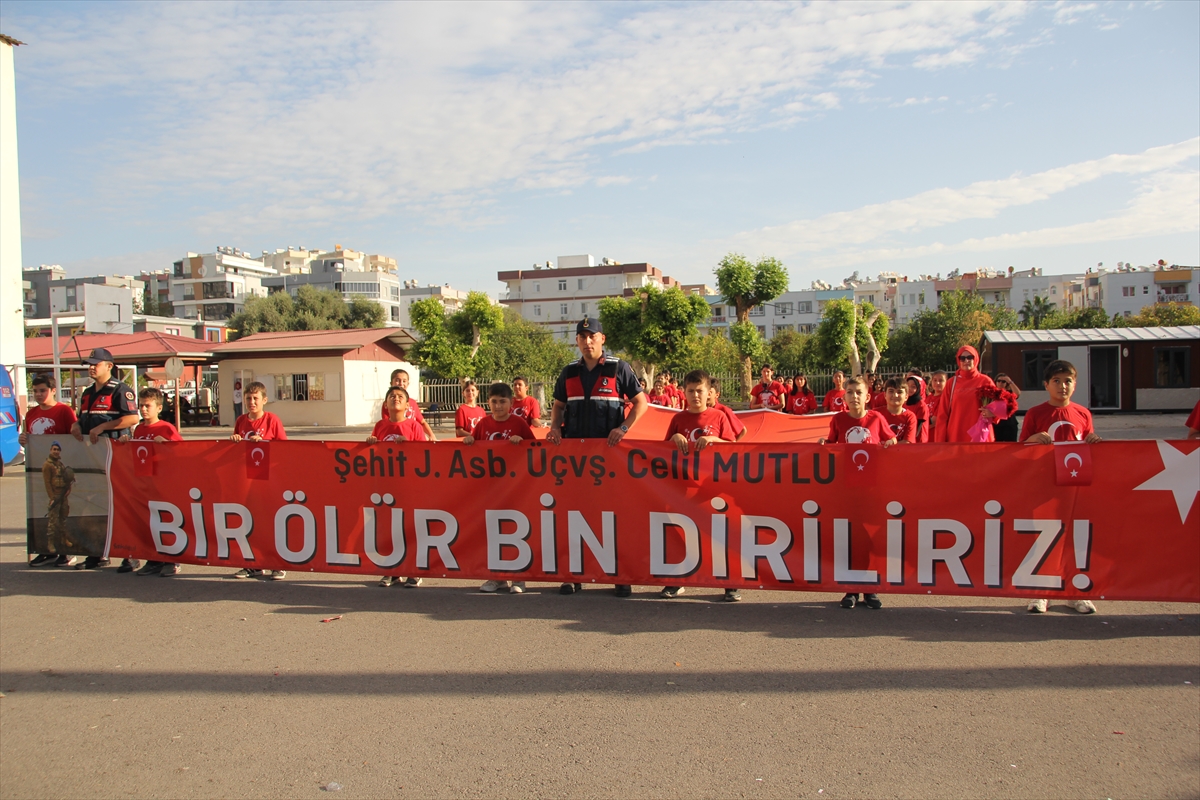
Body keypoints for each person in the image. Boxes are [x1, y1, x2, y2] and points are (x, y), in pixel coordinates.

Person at [547, 318, 648, 597]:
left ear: (602, 339)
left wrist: (623, 428)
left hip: (610, 461)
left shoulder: (619, 368)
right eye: (582, 337)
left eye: (592, 336)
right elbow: (558, 406)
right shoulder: (568, 372)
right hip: (575, 462)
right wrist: (554, 427)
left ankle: (619, 575)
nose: (587, 341)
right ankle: (572, 575)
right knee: (574, 516)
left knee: (613, 518)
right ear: (577, 341)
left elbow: (641, 403)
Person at [1019, 359, 1101, 615]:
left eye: (1068, 381)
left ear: (1075, 385)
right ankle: (1041, 593)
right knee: (1045, 537)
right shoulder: (1035, 413)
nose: (1062, 386)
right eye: (1056, 381)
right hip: (1044, 485)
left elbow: (1088, 444)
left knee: (1074, 538)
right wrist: (1033, 439)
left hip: (1074, 486)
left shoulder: (1083, 413)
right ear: (1046, 385)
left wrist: (1094, 441)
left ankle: (1074, 593)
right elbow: (1020, 448)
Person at [661, 370, 740, 601]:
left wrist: (714, 440)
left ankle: (730, 583)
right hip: (684, 486)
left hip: (713, 486)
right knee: (681, 533)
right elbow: (662, 450)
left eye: (699, 391)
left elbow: (732, 447)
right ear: (684, 393)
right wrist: (674, 438)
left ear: (709, 393)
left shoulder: (719, 417)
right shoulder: (677, 420)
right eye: (691, 391)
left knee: (719, 534)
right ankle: (677, 580)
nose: (695, 395)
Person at [818, 376, 895, 610]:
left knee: (871, 539)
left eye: (858, 392)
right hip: (847, 489)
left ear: (867, 396)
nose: (854, 397)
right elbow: (832, 446)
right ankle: (850, 589)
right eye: (849, 392)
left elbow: (892, 442)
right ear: (845, 397)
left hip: (872, 489)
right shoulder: (838, 419)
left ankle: (871, 589)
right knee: (850, 538)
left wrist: (891, 444)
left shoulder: (876, 419)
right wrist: (823, 445)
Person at [71, 348, 141, 571]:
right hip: (92, 458)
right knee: (93, 505)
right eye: (89, 364)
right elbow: (83, 418)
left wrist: (103, 427)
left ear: (109, 366)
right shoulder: (87, 392)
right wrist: (76, 424)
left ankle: (131, 554)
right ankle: (97, 553)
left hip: (116, 458)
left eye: (96, 364)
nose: (91, 367)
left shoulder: (120, 390)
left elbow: (132, 418)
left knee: (120, 506)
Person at [470, 383, 536, 595]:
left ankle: (518, 577)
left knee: (514, 530)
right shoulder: (483, 424)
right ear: (488, 402)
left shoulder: (518, 423)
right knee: (493, 530)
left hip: (515, 487)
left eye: (502, 401)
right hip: (490, 487)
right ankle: (496, 577)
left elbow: (535, 449)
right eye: (494, 401)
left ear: (511, 403)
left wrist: (522, 442)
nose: (498, 406)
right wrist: (469, 441)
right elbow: (473, 451)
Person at [229, 381, 287, 580]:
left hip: (268, 478)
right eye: (248, 398)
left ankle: (277, 563)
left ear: (264, 400)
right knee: (250, 522)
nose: (252, 402)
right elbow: (235, 449)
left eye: (255, 398)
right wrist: (235, 440)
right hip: (247, 479)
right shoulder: (241, 421)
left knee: (271, 522)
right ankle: (253, 564)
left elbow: (284, 448)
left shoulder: (272, 420)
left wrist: (264, 442)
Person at [21, 375, 78, 567]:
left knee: (62, 510)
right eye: (35, 391)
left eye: (42, 390)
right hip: (40, 469)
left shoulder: (64, 411)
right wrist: (24, 439)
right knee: (41, 508)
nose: (38, 394)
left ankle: (66, 550)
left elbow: (74, 439)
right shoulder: (31, 414)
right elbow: (29, 439)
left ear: (53, 390)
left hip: (60, 471)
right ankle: (46, 549)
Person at [126, 388, 184, 576]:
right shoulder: (139, 429)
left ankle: (172, 560)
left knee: (166, 521)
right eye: (141, 405)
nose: (143, 409)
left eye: (147, 406)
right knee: (148, 522)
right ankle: (153, 559)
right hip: (145, 483)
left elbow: (182, 451)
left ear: (159, 408)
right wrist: (125, 443)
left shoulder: (166, 428)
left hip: (163, 482)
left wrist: (167, 444)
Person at [932, 347, 998, 443]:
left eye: (969, 357)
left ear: (976, 359)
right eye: (962, 358)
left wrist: (993, 413)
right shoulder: (951, 383)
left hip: (980, 435)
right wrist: (940, 441)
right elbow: (942, 414)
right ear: (958, 360)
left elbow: (998, 408)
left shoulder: (985, 381)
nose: (966, 361)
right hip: (956, 434)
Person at [41, 441, 76, 567]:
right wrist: (52, 497)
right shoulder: (48, 465)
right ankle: (51, 543)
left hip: (63, 495)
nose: (56, 451)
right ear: (50, 450)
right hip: (55, 495)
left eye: (58, 450)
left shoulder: (60, 464)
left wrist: (68, 489)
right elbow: (47, 483)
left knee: (63, 518)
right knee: (53, 520)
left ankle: (63, 539)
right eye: (54, 449)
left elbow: (66, 478)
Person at [382, 369, 437, 442]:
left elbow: (422, 422)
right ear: (391, 383)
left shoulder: (412, 403)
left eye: (404, 381)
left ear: (408, 383)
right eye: (397, 380)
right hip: (397, 439)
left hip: (412, 437)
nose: (401, 383)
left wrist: (431, 435)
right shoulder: (390, 403)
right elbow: (388, 425)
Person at [878, 378, 918, 443]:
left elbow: (907, 442)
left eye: (899, 392)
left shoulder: (910, 417)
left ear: (906, 397)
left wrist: (889, 445)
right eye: (891, 391)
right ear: (885, 395)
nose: (895, 395)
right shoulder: (876, 414)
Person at [992, 373, 1022, 442]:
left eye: (1003, 381)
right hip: (996, 424)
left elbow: (1017, 393)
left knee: (1010, 444)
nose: (1000, 383)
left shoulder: (1009, 393)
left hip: (1009, 424)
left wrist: (1009, 381)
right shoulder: (992, 393)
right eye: (999, 381)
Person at [904, 375, 929, 443]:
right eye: (907, 386)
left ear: (919, 388)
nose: (909, 389)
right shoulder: (904, 403)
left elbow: (917, 430)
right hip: (906, 440)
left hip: (918, 442)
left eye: (913, 387)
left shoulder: (921, 406)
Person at [926, 370, 947, 441]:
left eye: (941, 381)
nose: (937, 383)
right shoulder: (928, 397)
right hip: (926, 436)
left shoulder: (944, 399)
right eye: (935, 380)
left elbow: (934, 421)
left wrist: (918, 428)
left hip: (936, 437)